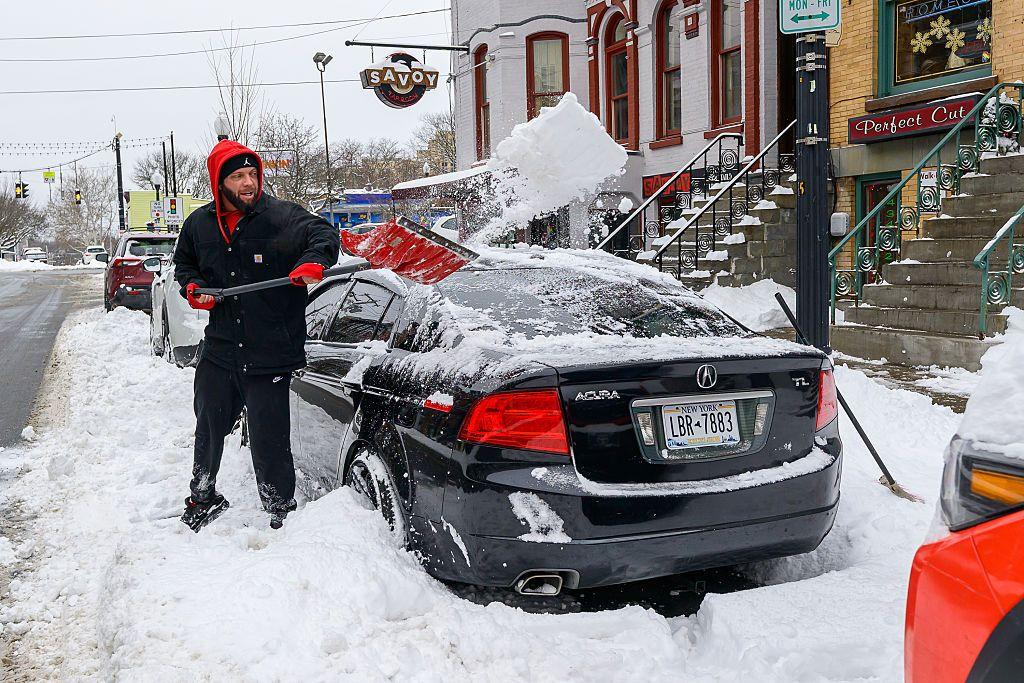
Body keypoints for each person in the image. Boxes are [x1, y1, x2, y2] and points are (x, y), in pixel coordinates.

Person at [173, 140, 340, 531]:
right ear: (219, 182)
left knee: (269, 437)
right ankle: (203, 496)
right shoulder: (199, 225)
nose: (249, 183)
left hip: (271, 351)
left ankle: (279, 509)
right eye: (238, 176)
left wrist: (312, 262)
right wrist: (194, 287)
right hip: (221, 348)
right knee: (209, 426)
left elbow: (324, 236)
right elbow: (184, 263)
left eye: (253, 174)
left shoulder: (282, 216)